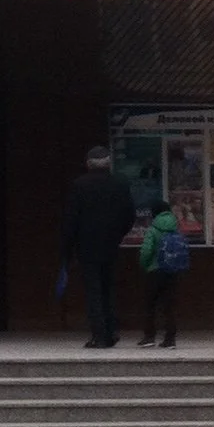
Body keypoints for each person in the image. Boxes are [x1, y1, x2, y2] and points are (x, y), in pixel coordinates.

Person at [61, 144, 137, 348]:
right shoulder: (120, 184)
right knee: (109, 288)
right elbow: (130, 215)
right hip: (111, 245)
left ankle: (99, 335)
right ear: (109, 163)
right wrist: (117, 235)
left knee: (93, 290)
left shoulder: (79, 185)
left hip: (87, 246)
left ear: (88, 164)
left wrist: (68, 248)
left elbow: (71, 219)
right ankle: (112, 331)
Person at [136, 200, 187, 348]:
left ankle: (149, 337)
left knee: (150, 305)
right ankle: (170, 339)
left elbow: (146, 251)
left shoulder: (153, 229)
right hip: (172, 270)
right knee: (169, 306)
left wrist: (145, 265)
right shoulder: (176, 227)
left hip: (154, 271)